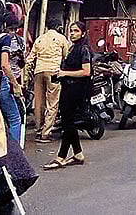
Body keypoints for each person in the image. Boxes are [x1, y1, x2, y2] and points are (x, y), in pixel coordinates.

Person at [43, 22, 92, 170]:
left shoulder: (83, 49)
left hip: (76, 90)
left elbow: (86, 71)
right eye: (71, 31)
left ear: (83, 33)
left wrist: (65, 73)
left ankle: (61, 156)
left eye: (76, 31)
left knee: (67, 123)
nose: (72, 33)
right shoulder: (73, 48)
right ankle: (78, 154)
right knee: (67, 121)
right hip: (68, 87)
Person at [28, 17, 69, 143]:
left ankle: (38, 129)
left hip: (38, 71)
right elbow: (66, 56)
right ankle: (46, 133)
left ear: (47, 27)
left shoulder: (39, 39)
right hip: (53, 72)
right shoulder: (62, 39)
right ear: (59, 27)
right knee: (53, 103)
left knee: (39, 102)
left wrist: (27, 75)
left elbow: (30, 58)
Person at [0, 12, 25, 142]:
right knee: (15, 118)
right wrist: (15, 84)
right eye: (11, 29)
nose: (13, 32)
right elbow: (5, 65)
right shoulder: (6, 39)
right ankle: (15, 154)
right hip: (2, 80)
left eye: (15, 29)